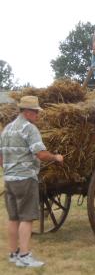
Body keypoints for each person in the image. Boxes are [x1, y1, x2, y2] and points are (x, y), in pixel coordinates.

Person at [0, 96, 63, 267]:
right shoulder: (29, 128)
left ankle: (13, 254)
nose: (37, 115)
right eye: (35, 112)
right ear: (27, 112)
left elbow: (1, 157)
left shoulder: (6, 129)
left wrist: (8, 169)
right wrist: (55, 157)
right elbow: (40, 153)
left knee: (13, 218)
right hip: (25, 179)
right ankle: (25, 256)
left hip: (10, 179)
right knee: (27, 218)